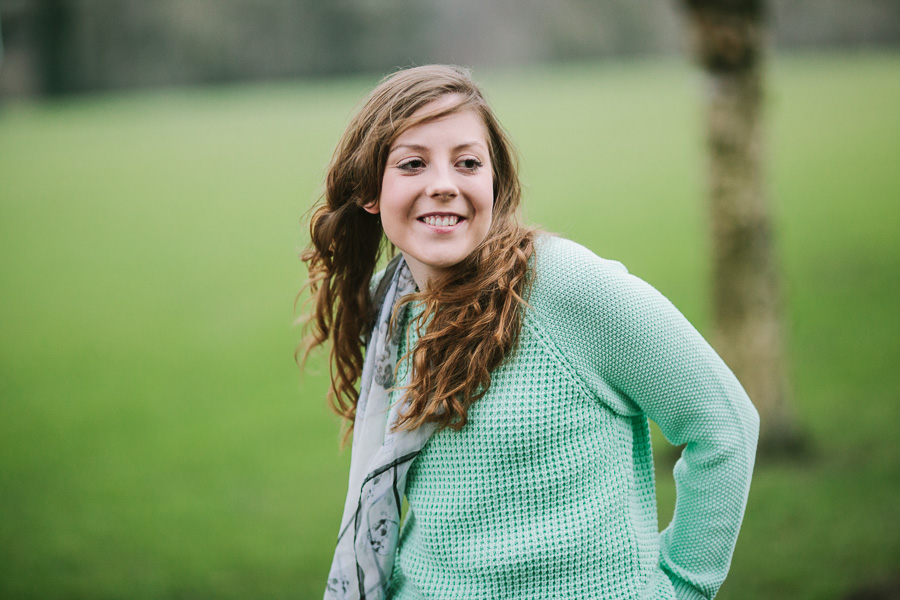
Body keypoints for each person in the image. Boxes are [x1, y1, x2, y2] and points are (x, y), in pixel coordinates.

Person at [301, 64, 759, 600]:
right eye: (413, 163)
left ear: (494, 182)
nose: (444, 184)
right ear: (370, 191)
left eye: (468, 162)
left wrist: (681, 587)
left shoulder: (562, 286)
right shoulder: (391, 306)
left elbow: (725, 424)